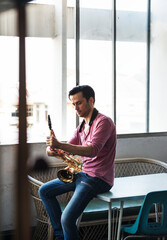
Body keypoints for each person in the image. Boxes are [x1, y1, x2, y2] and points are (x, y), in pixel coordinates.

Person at [38, 85, 116, 240]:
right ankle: (61, 237)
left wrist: (59, 145)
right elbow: (66, 149)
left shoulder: (104, 122)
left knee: (67, 218)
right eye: (73, 104)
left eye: (79, 103)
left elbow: (92, 150)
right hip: (83, 175)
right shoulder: (81, 126)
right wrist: (51, 149)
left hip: (98, 179)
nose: (75, 108)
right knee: (44, 191)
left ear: (91, 100)